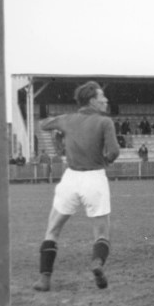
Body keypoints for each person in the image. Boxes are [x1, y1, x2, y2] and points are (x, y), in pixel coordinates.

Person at [33, 81, 120, 292]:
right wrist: (106, 160)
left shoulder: (67, 119)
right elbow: (114, 151)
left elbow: (43, 125)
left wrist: (61, 133)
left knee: (53, 230)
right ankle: (97, 263)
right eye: (102, 97)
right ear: (92, 101)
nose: (106, 100)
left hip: (70, 179)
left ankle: (44, 279)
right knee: (101, 232)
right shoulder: (105, 122)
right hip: (95, 178)